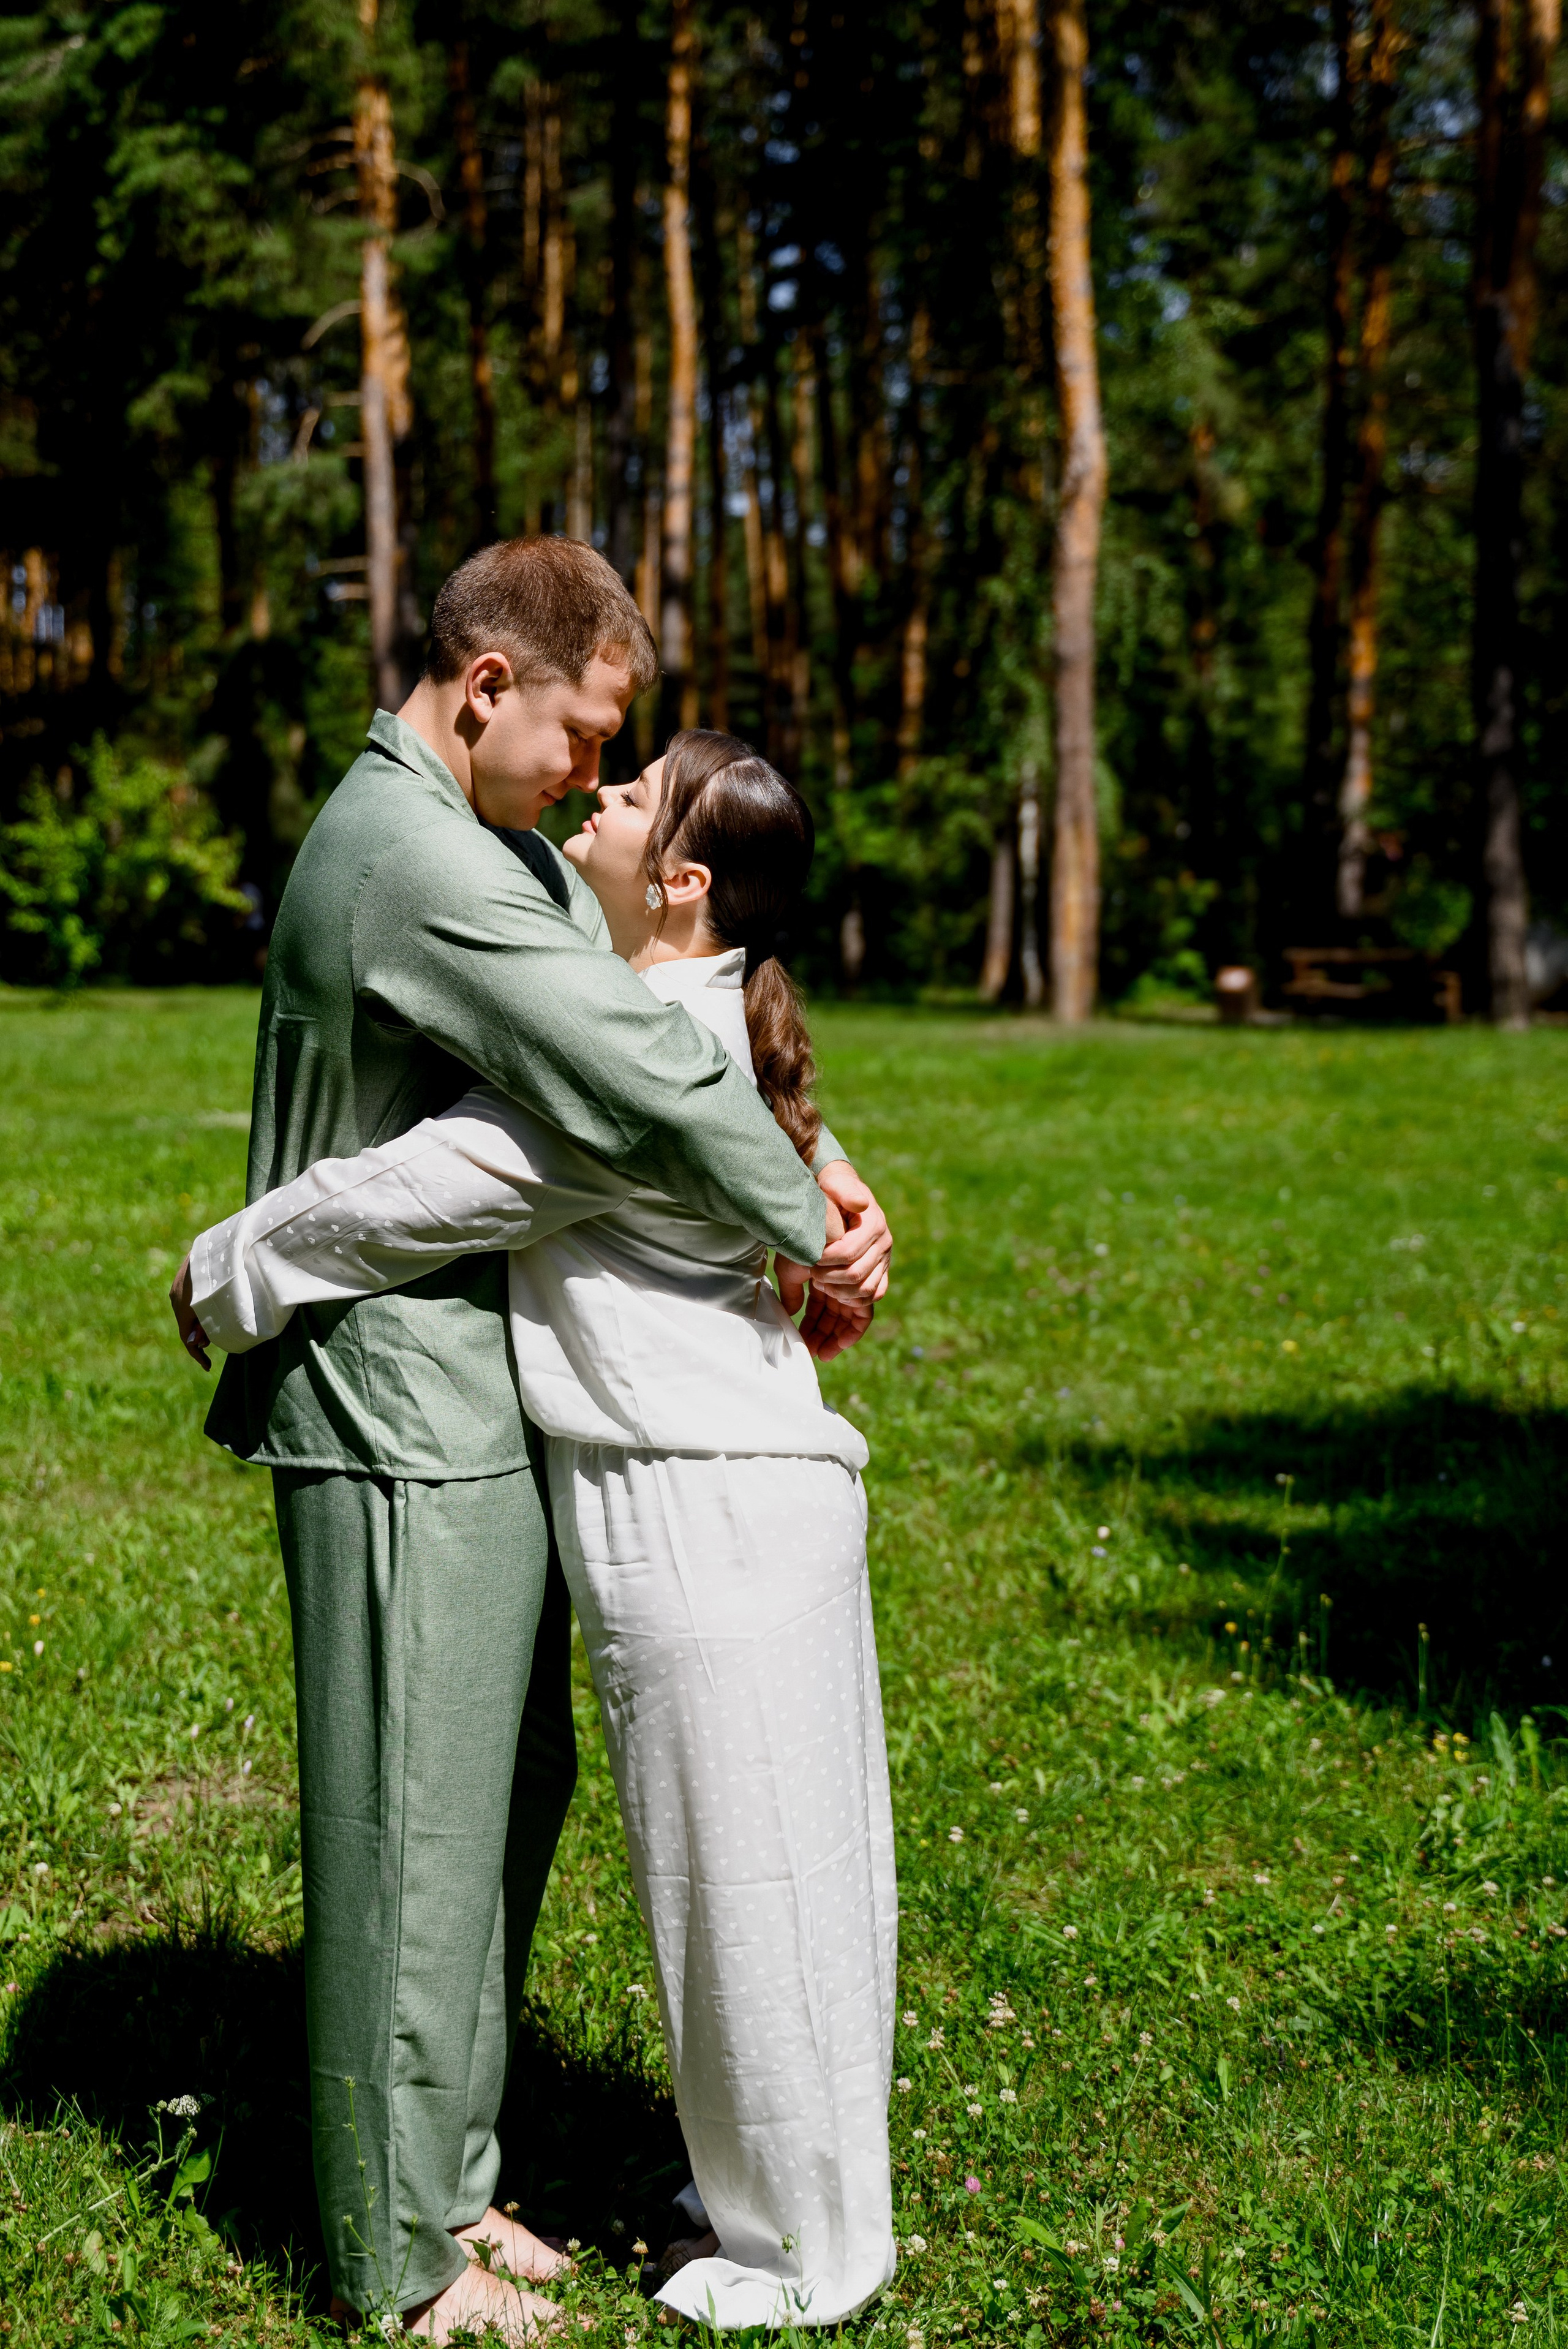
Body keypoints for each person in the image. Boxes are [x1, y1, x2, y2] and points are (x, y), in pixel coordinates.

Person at [170, 545, 892, 2342]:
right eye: (589, 734)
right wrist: (803, 1204)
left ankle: (451, 2180)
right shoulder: (415, 855)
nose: (592, 776)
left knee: (494, 1802)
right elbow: (633, 1074)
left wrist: (824, 1160)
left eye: (616, 764)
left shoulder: (483, 841)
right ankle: (396, 2259)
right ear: (489, 685)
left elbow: (687, 1000)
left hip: (469, 1388)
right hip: (391, 1392)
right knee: (410, 1817)